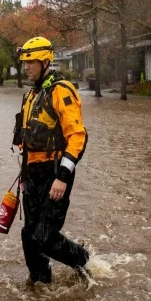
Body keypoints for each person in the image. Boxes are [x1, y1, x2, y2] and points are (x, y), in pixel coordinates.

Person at [13, 37, 90, 285]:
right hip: (32, 175)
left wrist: (63, 178)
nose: (27, 67)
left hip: (55, 173)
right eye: (25, 62)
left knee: (45, 237)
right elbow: (25, 143)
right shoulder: (31, 95)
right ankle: (40, 283)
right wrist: (23, 178)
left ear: (45, 62)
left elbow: (77, 137)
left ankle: (84, 259)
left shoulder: (61, 91)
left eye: (31, 62)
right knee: (29, 236)